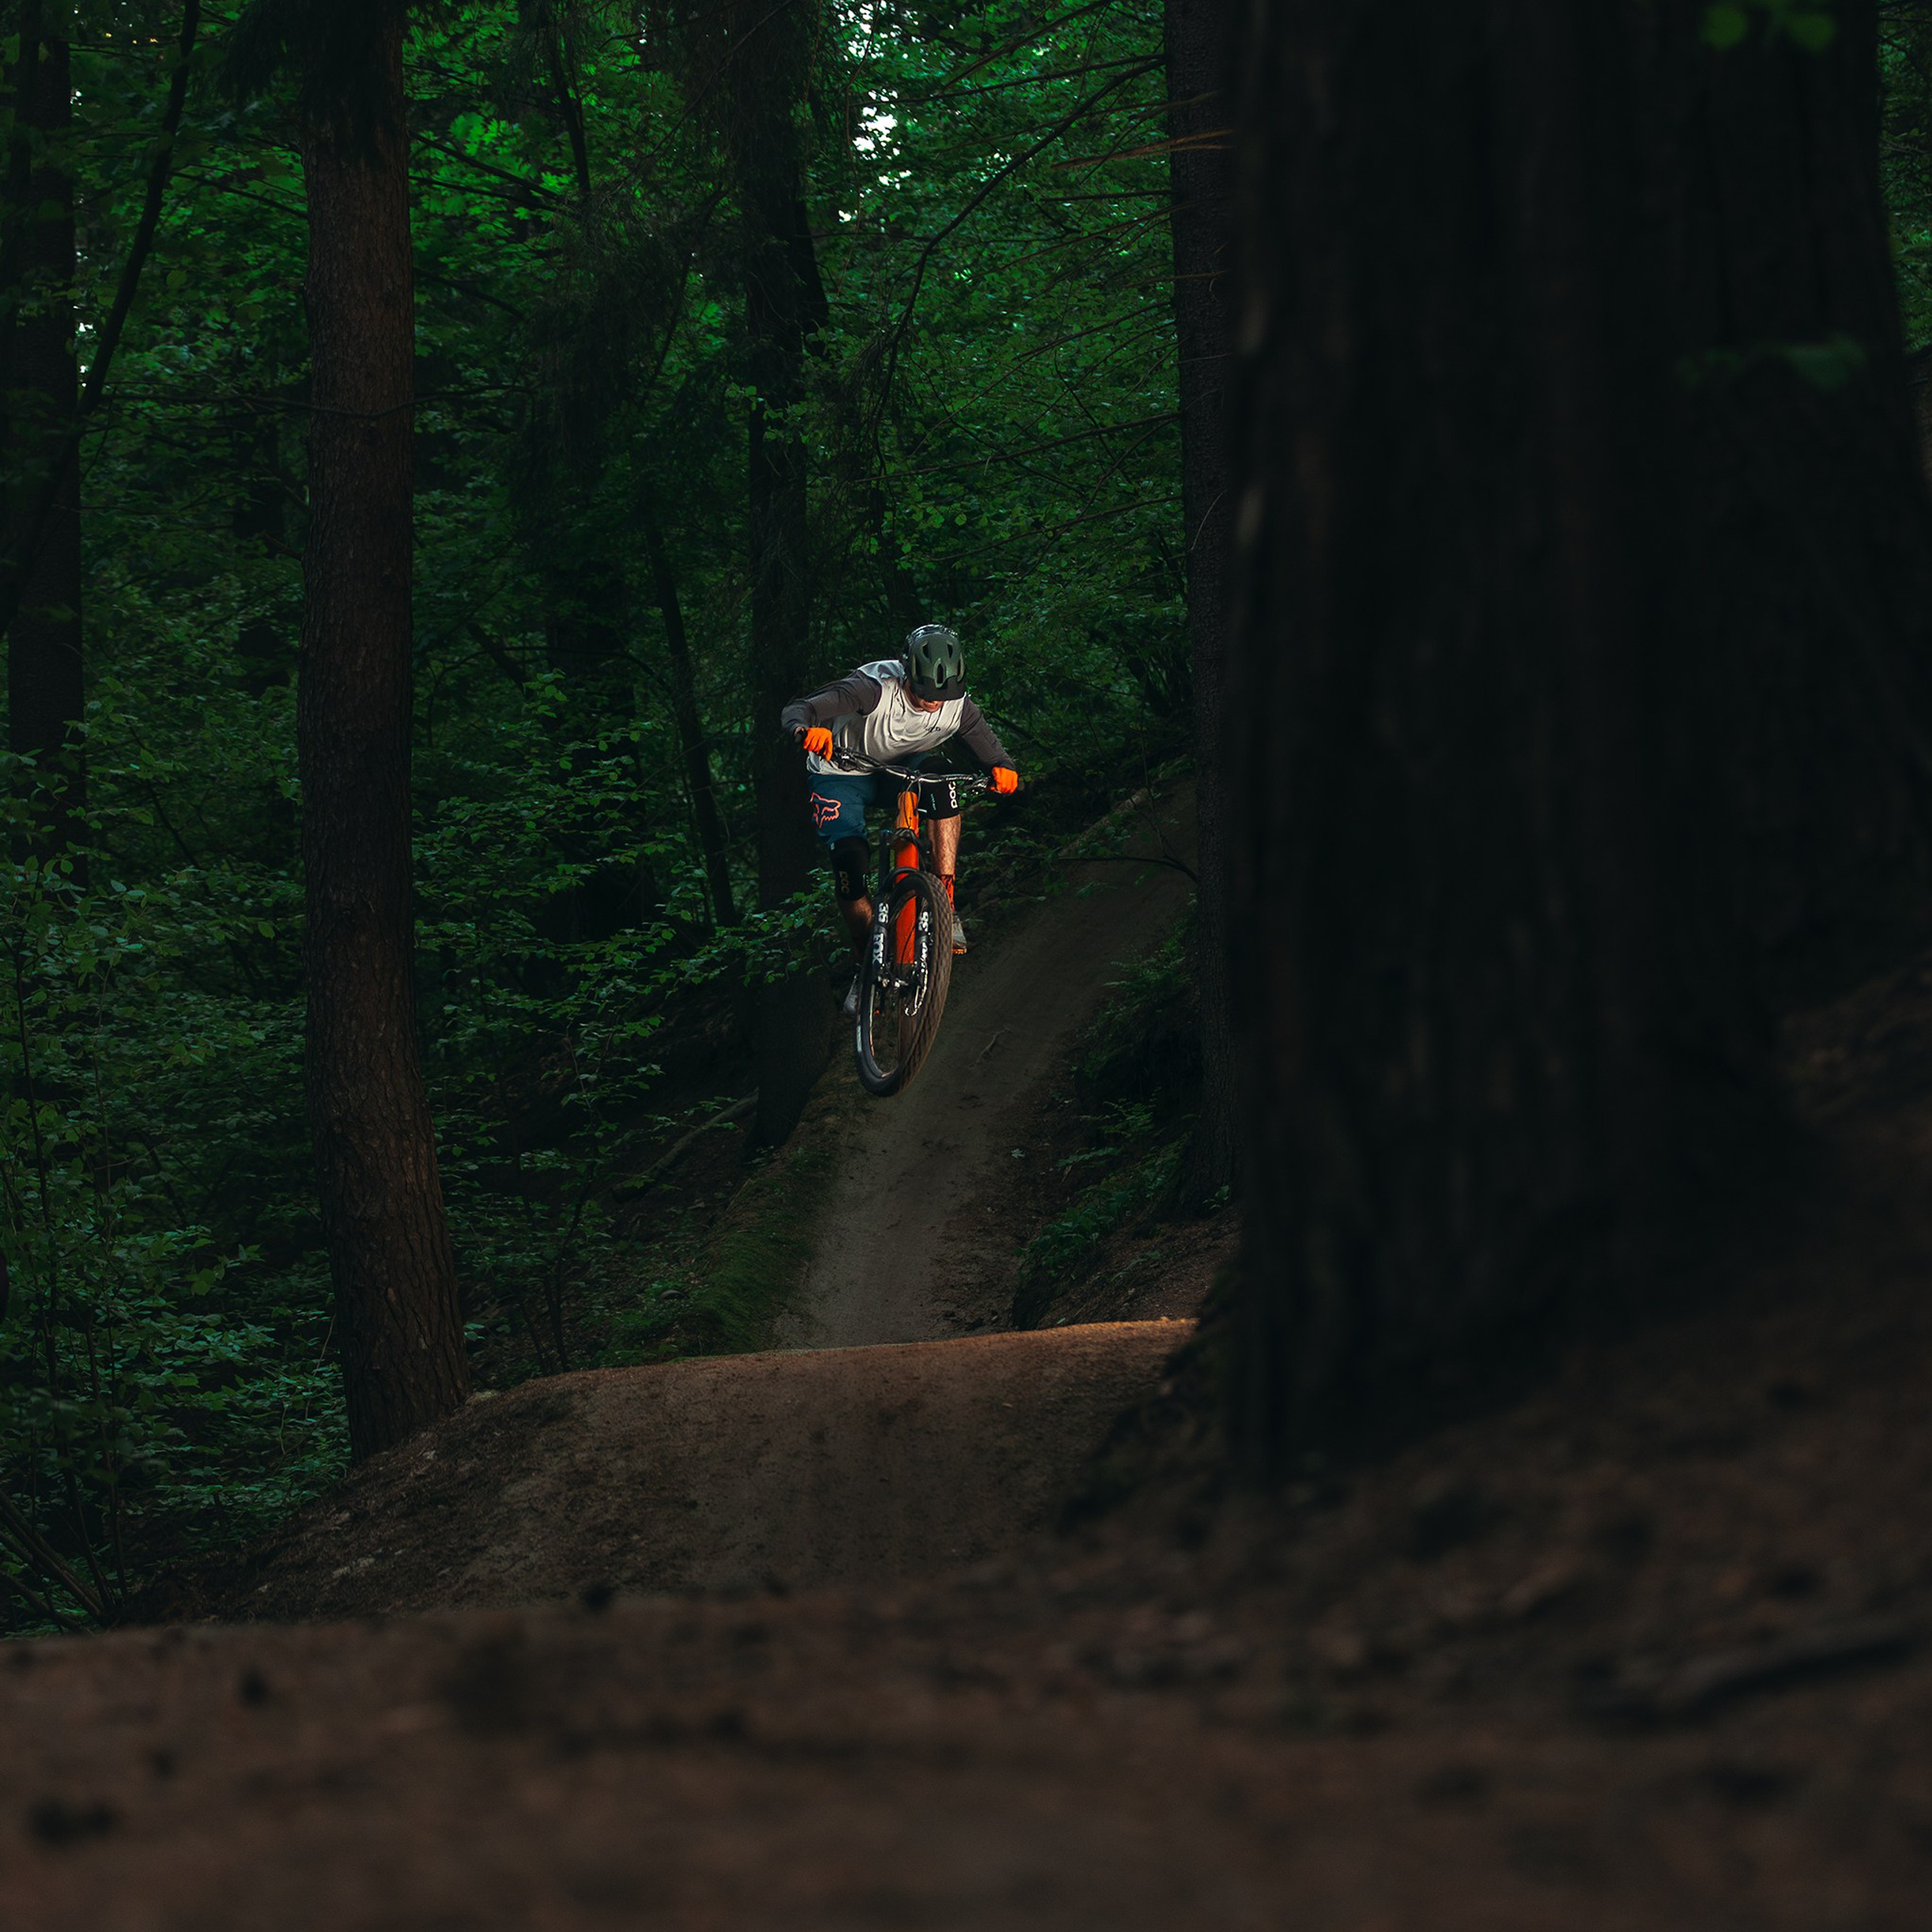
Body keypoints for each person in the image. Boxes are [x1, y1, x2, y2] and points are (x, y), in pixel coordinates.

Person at [782, 624, 1020, 1015]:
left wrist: (1003, 768)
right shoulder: (871, 689)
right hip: (841, 773)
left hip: (901, 773)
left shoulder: (958, 705)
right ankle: (865, 964)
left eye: (944, 696)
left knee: (942, 781)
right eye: (926, 693)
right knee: (850, 863)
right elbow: (800, 708)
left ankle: (944, 903)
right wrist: (804, 730)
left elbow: (992, 752)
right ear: (907, 673)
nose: (935, 703)